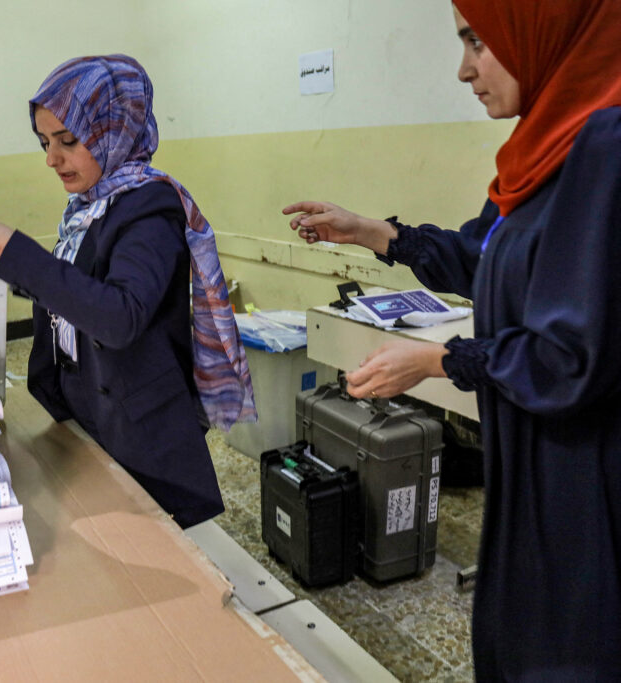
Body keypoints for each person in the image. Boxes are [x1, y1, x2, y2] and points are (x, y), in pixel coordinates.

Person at [284, 1, 621, 678]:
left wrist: (441, 359)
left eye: (479, 42)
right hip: (530, 444)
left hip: (583, 463)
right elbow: (490, 256)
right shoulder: (545, 146)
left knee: (573, 639)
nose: (464, 69)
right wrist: (380, 234)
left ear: (544, 28)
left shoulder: (607, 147)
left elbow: (572, 357)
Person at [0, 55, 256, 528]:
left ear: (114, 129)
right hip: (84, 405)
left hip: (138, 430)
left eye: (68, 140)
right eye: (44, 142)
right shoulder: (89, 207)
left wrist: (13, 254)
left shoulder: (149, 207)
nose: (51, 159)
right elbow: (74, 292)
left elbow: (120, 315)